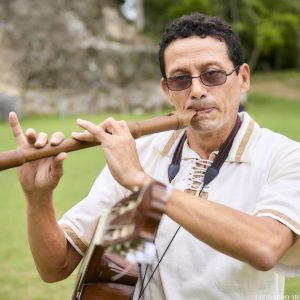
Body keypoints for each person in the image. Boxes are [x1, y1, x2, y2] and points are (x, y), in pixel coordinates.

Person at [9, 13, 300, 299]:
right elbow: (54, 267)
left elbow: (265, 248)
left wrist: (142, 182)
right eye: (181, 79)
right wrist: (38, 197)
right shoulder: (140, 152)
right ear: (167, 90)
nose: (197, 91)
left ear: (243, 78)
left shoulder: (284, 156)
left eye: (212, 74)